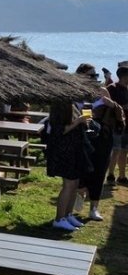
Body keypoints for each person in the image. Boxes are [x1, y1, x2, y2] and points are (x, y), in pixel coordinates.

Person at [74, 64, 124, 221]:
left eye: (95, 76)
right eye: (91, 76)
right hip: (83, 134)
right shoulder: (73, 91)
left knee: (99, 170)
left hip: (102, 135)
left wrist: (112, 105)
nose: (94, 79)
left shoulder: (102, 91)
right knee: (81, 168)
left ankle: (94, 208)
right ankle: (80, 195)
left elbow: (115, 111)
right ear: (80, 75)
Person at [46, 98, 88, 231]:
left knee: (75, 183)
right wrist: (78, 121)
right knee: (68, 185)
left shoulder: (72, 105)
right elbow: (59, 131)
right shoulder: (59, 105)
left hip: (73, 150)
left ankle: (68, 215)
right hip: (64, 151)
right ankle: (59, 219)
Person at [105, 66, 128, 185]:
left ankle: (122, 176)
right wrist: (123, 106)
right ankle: (110, 175)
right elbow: (108, 104)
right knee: (116, 149)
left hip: (126, 124)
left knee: (124, 150)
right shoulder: (113, 88)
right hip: (116, 124)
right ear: (124, 77)